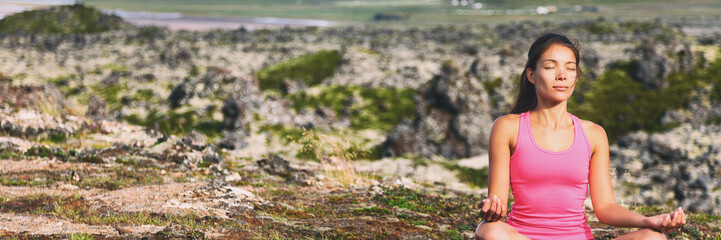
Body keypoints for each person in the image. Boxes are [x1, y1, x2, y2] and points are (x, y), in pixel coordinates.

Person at [474, 33, 687, 240]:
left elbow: (605, 208)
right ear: (531, 74)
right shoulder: (508, 127)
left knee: (652, 238)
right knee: (489, 231)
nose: (562, 75)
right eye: (550, 66)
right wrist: (490, 210)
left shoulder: (593, 134)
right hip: (522, 236)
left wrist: (648, 221)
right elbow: (497, 202)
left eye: (570, 68)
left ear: (577, 75)